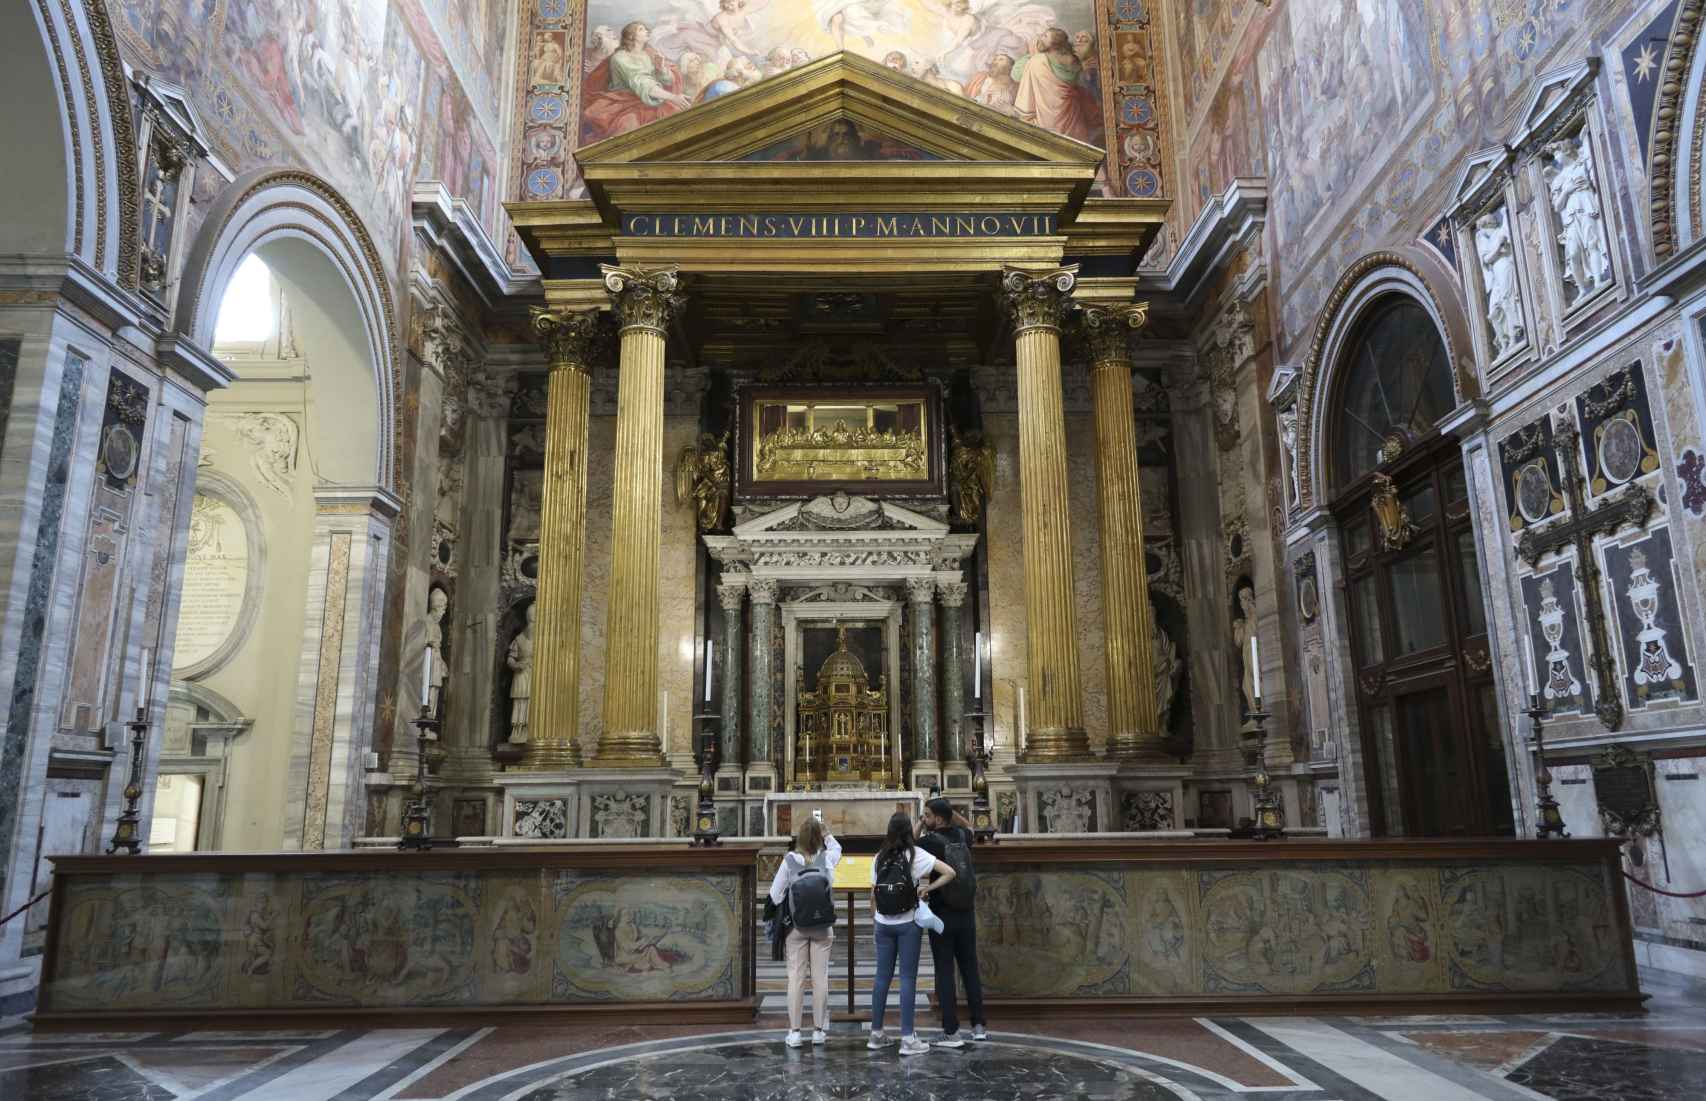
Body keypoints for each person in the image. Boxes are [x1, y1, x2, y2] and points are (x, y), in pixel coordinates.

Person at [869, 811, 955, 1056]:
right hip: (908, 923)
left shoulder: (879, 857)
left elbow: (873, 896)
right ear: (909, 831)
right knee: (907, 978)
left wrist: (878, 918)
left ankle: (876, 1034)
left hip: (882, 923)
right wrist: (927, 888)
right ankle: (907, 1038)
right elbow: (950, 872)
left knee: (881, 977)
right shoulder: (916, 855)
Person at [916, 798, 988, 1046]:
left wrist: (918, 823)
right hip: (966, 911)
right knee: (969, 968)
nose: (925, 819)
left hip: (942, 912)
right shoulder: (962, 836)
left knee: (944, 970)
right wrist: (949, 812)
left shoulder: (929, 842)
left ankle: (951, 1030)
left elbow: (909, 845)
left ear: (937, 819)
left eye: (927, 815)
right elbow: (970, 827)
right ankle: (978, 1025)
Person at [768, 815, 842, 1047]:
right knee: (821, 979)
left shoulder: (789, 860)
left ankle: (795, 1032)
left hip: (797, 927)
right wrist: (827, 832)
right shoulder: (827, 858)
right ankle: (819, 1031)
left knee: (796, 979)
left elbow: (774, 894)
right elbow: (838, 848)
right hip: (823, 926)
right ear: (819, 838)